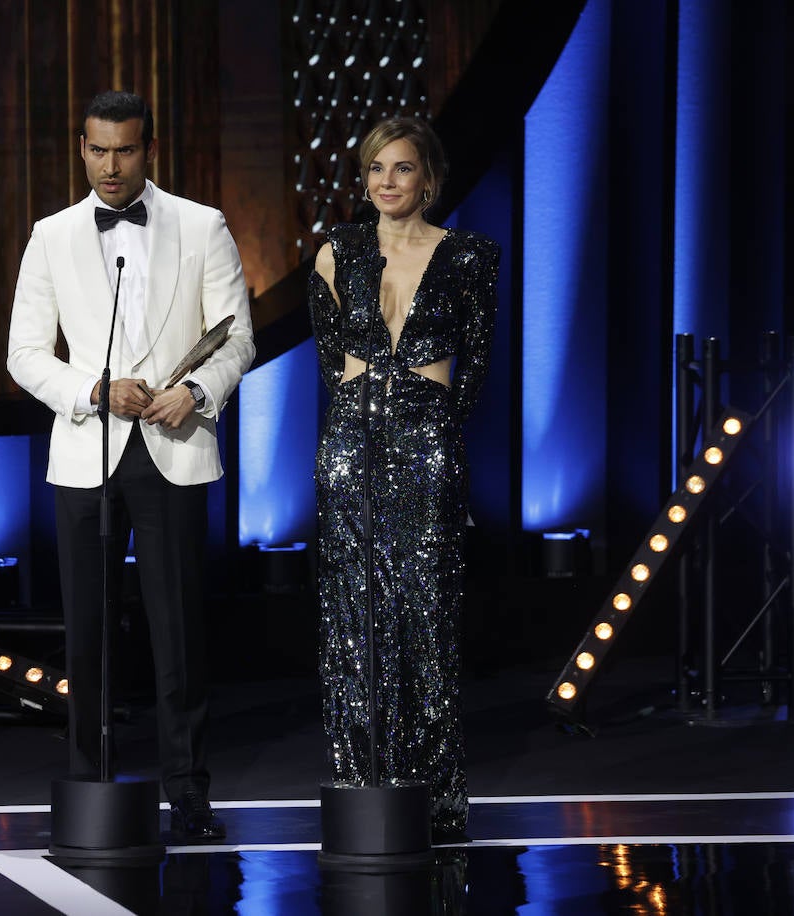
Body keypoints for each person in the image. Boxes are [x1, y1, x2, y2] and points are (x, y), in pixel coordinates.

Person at [7, 90, 255, 841]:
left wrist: (195, 391)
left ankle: (188, 791)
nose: (110, 166)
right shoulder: (50, 236)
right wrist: (91, 389)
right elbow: (23, 356)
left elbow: (237, 338)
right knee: (87, 632)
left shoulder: (201, 224)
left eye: (125, 150)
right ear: (80, 149)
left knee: (178, 632)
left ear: (149, 150)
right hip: (88, 453)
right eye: (97, 150)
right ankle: (90, 788)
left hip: (173, 450)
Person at [308, 117, 498, 842]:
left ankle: (435, 795)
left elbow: (475, 368)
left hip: (427, 443)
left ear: (430, 179)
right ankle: (360, 785)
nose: (388, 182)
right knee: (353, 621)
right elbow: (332, 362)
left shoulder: (472, 257)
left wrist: (427, 422)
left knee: (426, 616)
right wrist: (370, 408)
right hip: (351, 443)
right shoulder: (337, 253)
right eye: (376, 169)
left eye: (403, 169)